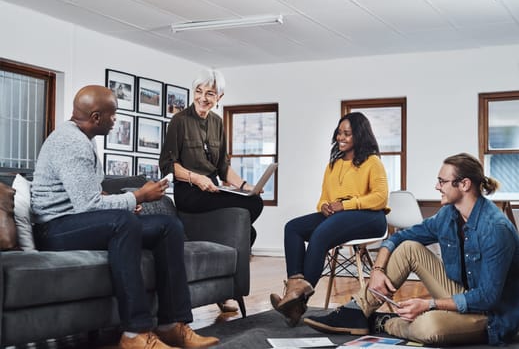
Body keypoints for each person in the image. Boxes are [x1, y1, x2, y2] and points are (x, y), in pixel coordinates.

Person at [31, 85, 219, 349]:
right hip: (54, 229)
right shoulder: (70, 142)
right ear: (96, 117)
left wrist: (123, 204)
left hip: (74, 220)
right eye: (113, 114)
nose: (115, 120)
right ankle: (135, 333)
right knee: (124, 222)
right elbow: (88, 206)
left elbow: (91, 192)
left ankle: (172, 325)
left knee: (168, 226)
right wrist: (137, 197)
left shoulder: (84, 137)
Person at [304, 153, 519, 347]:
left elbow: (487, 298)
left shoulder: (495, 228)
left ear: (464, 184)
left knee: (428, 328)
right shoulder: (448, 215)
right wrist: (377, 270)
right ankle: (357, 311)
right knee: (408, 248)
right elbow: (399, 237)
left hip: (492, 315)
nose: (437, 186)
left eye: (442, 181)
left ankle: (384, 322)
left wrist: (429, 305)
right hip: (464, 295)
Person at [159, 68, 264, 313]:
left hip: (212, 190)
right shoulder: (180, 121)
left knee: (254, 204)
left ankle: (225, 286)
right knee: (246, 228)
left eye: (210, 93)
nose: (203, 98)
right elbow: (167, 164)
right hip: (190, 193)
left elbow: (223, 167)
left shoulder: (217, 123)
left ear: (220, 97)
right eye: (199, 91)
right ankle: (225, 287)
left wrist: (245, 186)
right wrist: (196, 178)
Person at [270, 112, 389, 326]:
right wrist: (323, 207)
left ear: (359, 136)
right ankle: (296, 289)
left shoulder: (372, 162)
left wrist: (346, 205)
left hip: (371, 217)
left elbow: (380, 198)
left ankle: (297, 298)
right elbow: (324, 197)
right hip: (340, 216)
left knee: (321, 233)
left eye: (347, 134)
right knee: (293, 228)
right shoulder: (333, 165)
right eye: (338, 133)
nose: (340, 138)